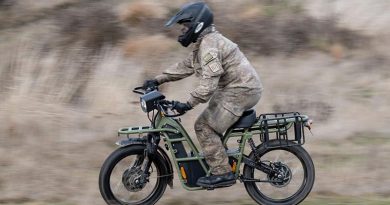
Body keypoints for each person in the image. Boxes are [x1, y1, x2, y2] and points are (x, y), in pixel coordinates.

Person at [143, 2, 263, 188]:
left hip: (241, 91)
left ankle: (223, 173)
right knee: (209, 122)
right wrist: (158, 80)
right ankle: (217, 159)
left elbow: (208, 84)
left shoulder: (209, 46)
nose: (182, 31)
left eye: (185, 26)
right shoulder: (206, 42)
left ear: (197, 24)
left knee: (204, 126)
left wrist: (188, 104)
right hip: (234, 89)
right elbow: (186, 66)